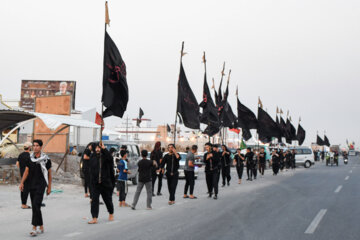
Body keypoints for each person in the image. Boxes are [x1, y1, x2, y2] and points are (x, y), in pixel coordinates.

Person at [19, 139, 52, 236]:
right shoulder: (30, 158)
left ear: (41, 147)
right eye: (34, 145)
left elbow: (49, 174)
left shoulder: (46, 159)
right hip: (31, 185)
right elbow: (26, 171)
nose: (35, 147)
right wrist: (22, 183)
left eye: (37, 145)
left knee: (36, 204)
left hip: (41, 185)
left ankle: (34, 227)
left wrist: (49, 187)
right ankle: (41, 224)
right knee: (35, 206)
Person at [88, 142, 115, 224]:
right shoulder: (92, 157)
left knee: (107, 200)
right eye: (96, 148)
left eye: (99, 148)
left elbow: (110, 159)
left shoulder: (106, 156)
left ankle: (111, 213)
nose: (97, 149)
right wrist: (90, 186)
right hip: (96, 183)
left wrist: (104, 149)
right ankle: (94, 217)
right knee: (94, 201)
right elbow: (91, 171)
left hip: (105, 183)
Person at [16, 142, 32, 209]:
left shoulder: (20, 155)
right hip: (28, 174)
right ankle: (24, 204)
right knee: (27, 188)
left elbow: (17, 164)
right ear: (29, 148)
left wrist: (22, 168)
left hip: (22, 173)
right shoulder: (30, 156)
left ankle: (23, 203)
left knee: (23, 187)